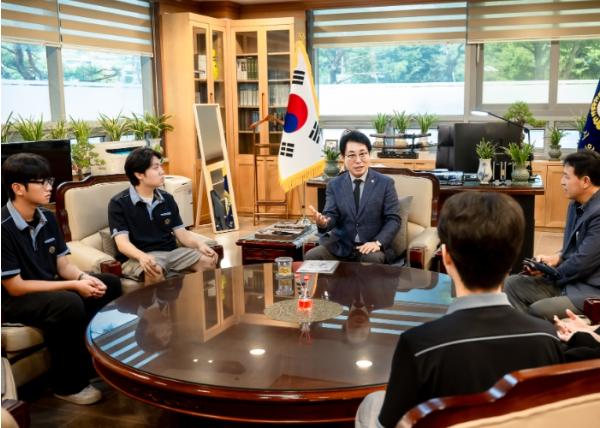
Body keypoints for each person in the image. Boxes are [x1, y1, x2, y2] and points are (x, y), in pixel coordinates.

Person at [355, 192, 565, 428]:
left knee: (371, 404)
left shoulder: (419, 344)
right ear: (513, 259)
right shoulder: (546, 337)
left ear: (446, 257)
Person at [1, 153, 122, 405]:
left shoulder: (46, 218)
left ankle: (92, 364)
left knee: (108, 284)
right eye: (42, 182)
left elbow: (63, 265)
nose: (49, 187)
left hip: (45, 289)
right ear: (18, 188)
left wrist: (83, 278)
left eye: (50, 180)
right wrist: (73, 285)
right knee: (68, 302)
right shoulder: (3, 228)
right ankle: (68, 386)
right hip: (13, 301)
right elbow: (15, 286)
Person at [505, 150, 600, 320]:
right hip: (570, 279)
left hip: (590, 289)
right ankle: (528, 331)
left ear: (585, 181)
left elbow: (583, 263)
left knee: (538, 309)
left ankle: (536, 331)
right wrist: (555, 258)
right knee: (511, 284)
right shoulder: (575, 205)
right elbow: (572, 249)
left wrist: (550, 273)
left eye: (566, 177)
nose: (562, 181)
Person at [108, 148, 218, 284]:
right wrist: (142, 256)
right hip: (138, 257)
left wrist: (200, 245)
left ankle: (194, 297)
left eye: (160, 166)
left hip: (171, 253)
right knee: (154, 269)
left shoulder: (167, 198)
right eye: (156, 168)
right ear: (139, 174)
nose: (162, 171)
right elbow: (122, 244)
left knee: (208, 260)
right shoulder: (118, 203)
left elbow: (182, 234)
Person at [304, 130, 400, 263]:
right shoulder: (334, 184)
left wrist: (377, 243)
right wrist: (324, 222)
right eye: (352, 155)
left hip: (370, 246)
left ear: (369, 154)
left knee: (372, 260)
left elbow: (393, 220)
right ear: (343, 157)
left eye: (363, 154)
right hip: (341, 246)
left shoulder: (385, 183)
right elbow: (331, 215)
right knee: (312, 256)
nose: (358, 161)